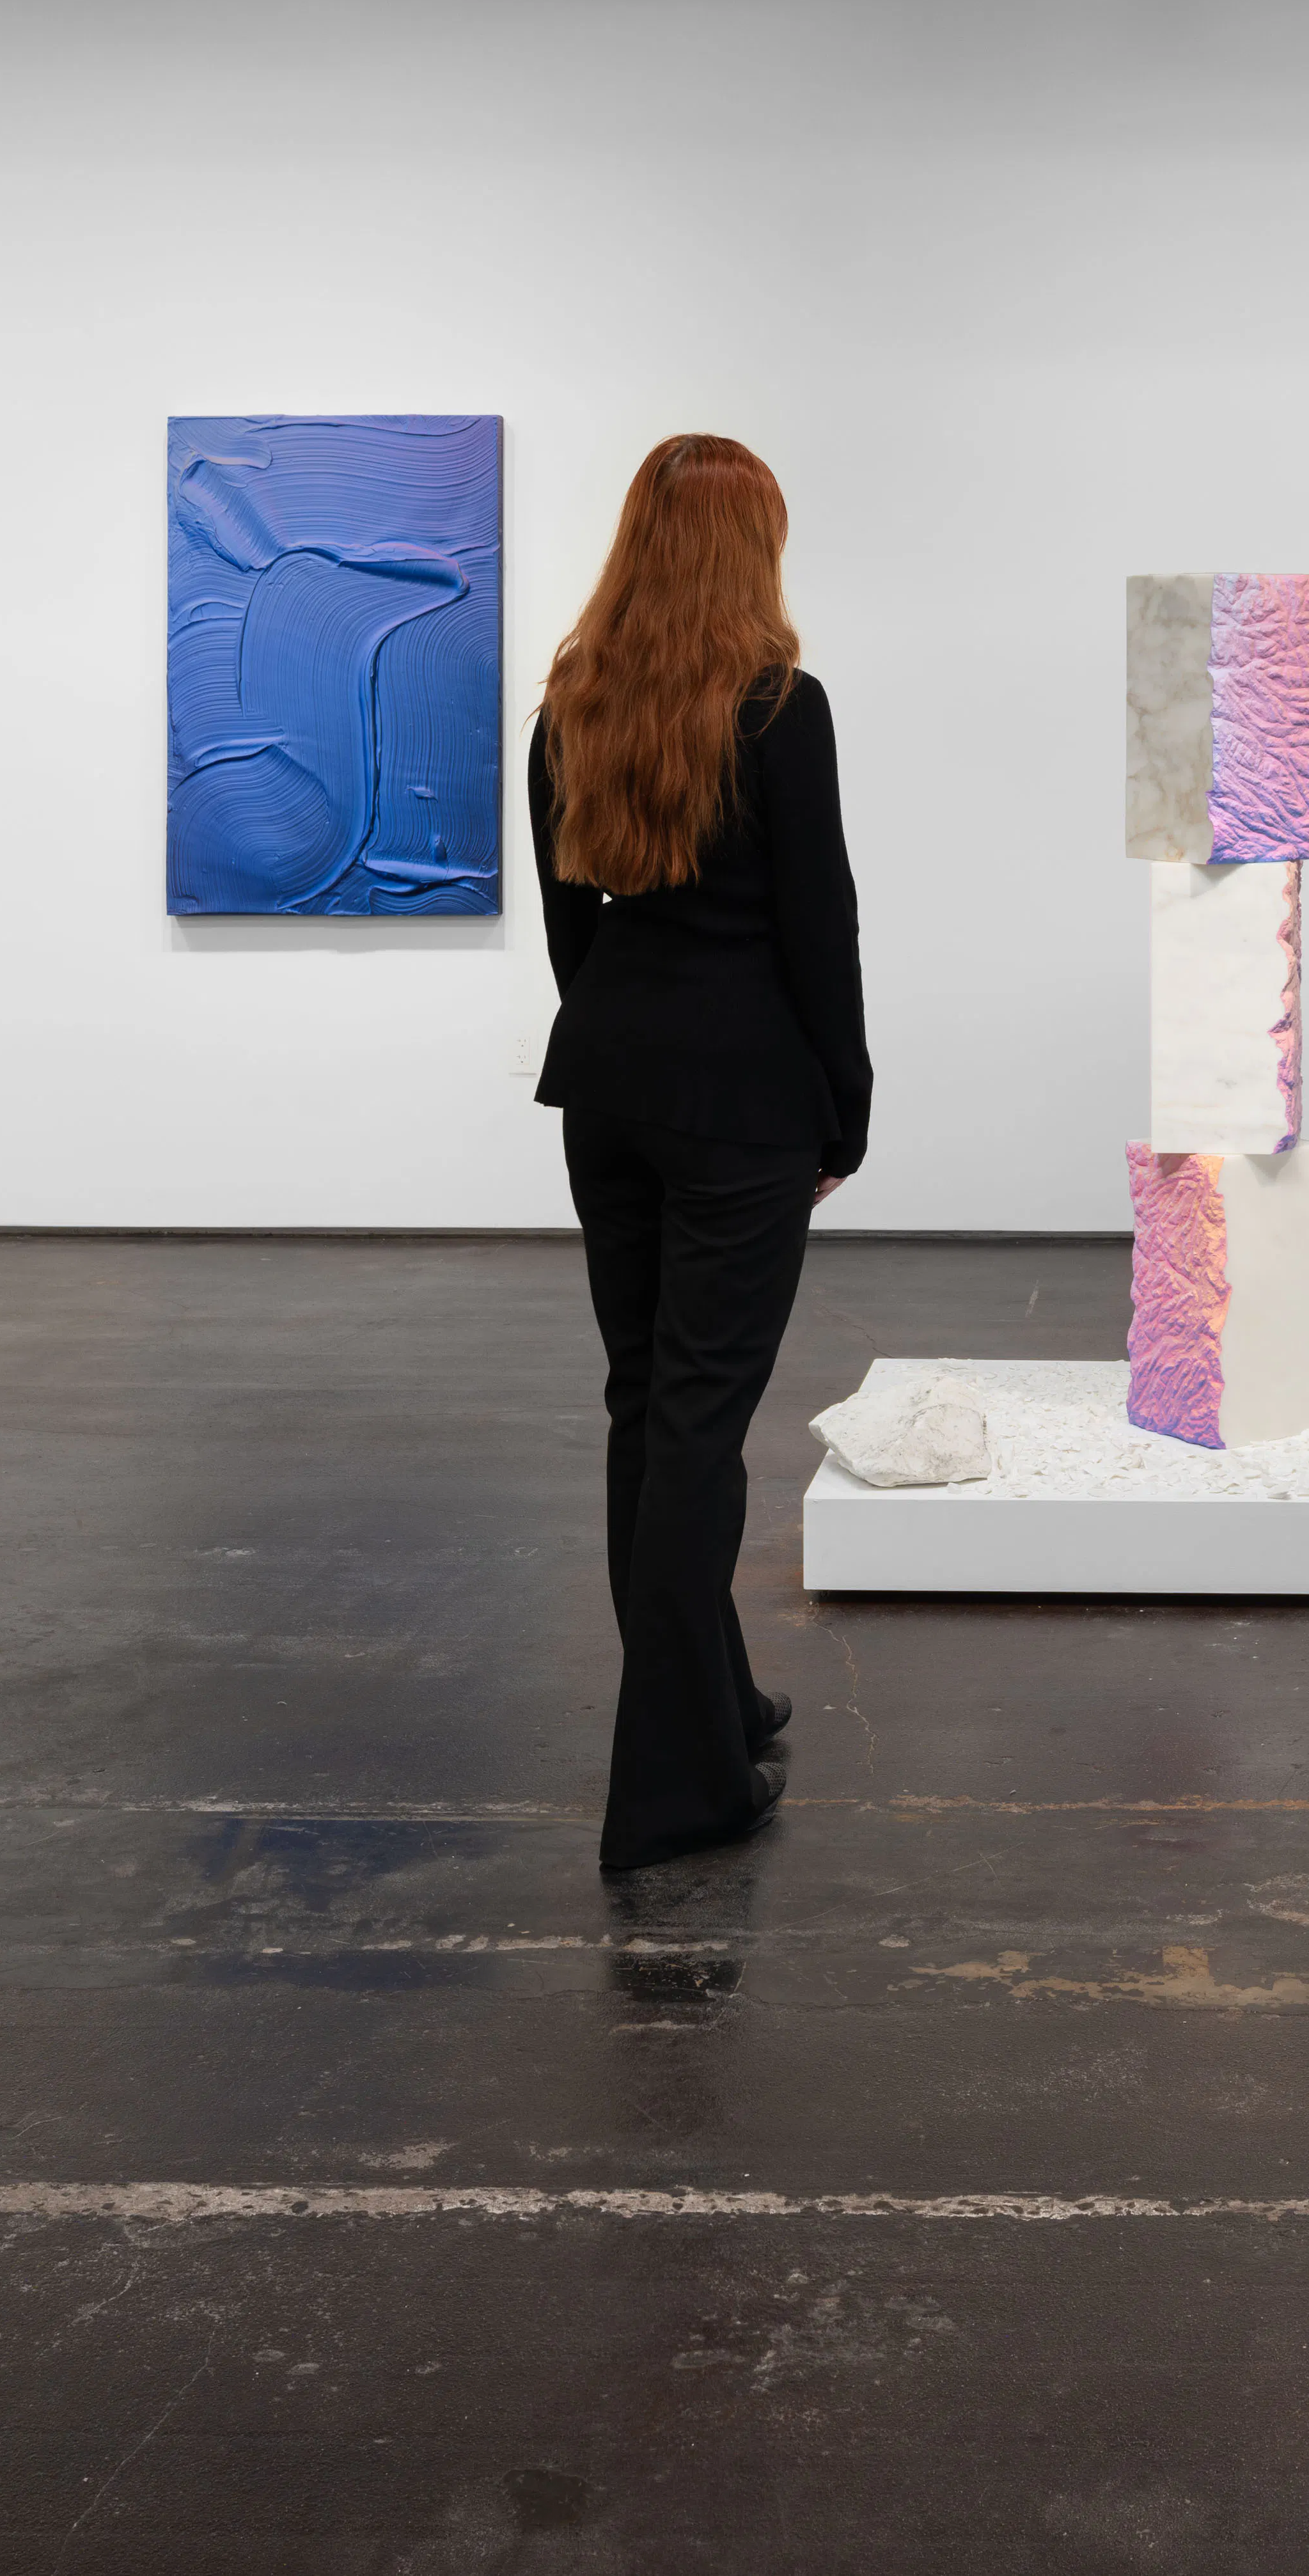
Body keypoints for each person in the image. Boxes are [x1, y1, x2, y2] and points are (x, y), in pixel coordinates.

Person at [529, 435, 872, 1874]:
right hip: (738, 1108)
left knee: (644, 1408)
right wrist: (840, 1111)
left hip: (607, 1087)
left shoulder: (571, 698)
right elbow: (818, 928)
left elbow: (569, 925)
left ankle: (713, 1702)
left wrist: (618, 1037)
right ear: (753, 551)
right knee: (697, 1433)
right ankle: (676, 1789)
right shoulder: (780, 709)